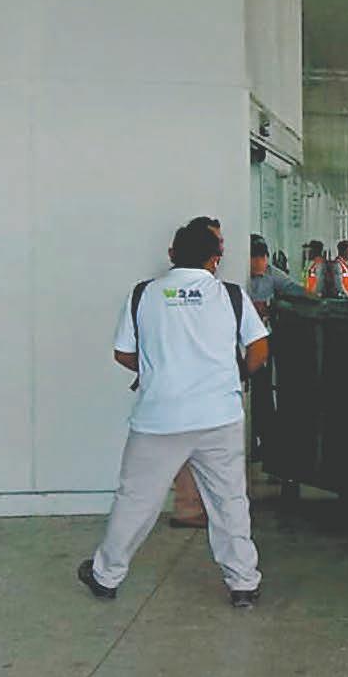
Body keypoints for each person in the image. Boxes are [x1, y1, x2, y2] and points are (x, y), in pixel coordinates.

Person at [78, 218, 270, 608]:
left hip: (159, 419)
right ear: (215, 259)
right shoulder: (231, 296)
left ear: (171, 254)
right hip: (219, 417)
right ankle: (243, 584)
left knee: (136, 500)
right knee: (229, 502)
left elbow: (123, 353)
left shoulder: (144, 295)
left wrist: (159, 371)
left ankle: (105, 576)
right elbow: (259, 349)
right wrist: (232, 377)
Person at [248, 237, 303, 316]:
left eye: (262, 256)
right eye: (254, 256)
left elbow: (291, 287)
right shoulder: (239, 275)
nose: (259, 261)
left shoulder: (271, 272)